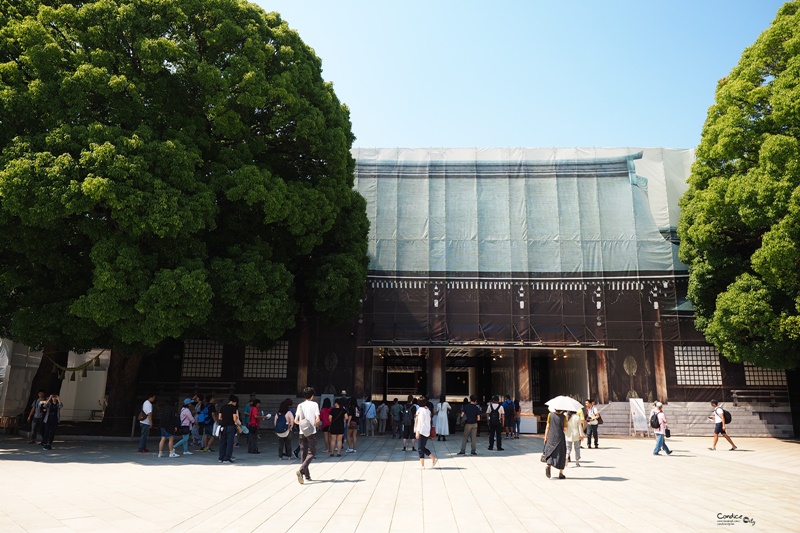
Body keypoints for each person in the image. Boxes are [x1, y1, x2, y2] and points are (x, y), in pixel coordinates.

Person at [294, 386, 320, 484]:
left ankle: (307, 475)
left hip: (302, 432)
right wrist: (314, 423)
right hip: (311, 432)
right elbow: (317, 419)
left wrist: (302, 424)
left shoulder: (300, 405)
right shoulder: (315, 405)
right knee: (312, 452)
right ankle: (301, 470)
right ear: (312, 396)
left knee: (303, 453)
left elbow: (296, 420)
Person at [414, 398, 437, 468]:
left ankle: (427, 462)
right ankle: (425, 462)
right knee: (422, 448)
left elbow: (420, 422)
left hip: (422, 431)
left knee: (420, 448)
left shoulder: (421, 411)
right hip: (427, 430)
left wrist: (417, 431)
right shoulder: (427, 410)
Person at [543, 409, 567, 479]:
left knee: (551, 450)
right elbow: (565, 429)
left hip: (551, 436)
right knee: (561, 453)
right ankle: (561, 473)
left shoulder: (550, 415)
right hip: (560, 437)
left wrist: (545, 437)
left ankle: (549, 464)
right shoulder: (563, 417)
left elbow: (548, 426)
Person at [217, 395, 241, 463]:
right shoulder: (233, 408)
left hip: (223, 426)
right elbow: (234, 419)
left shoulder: (223, 407)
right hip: (230, 426)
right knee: (229, 443)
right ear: (235, 402)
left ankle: (221, 457)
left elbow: (220, 417)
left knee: (222, 442)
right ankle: (227, 458)